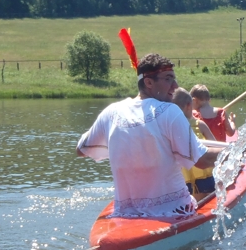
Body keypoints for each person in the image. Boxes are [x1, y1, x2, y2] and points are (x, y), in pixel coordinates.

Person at [76, 53, 228, 218]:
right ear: (148, 82)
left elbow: (81, 150)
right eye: (168, 79)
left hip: (126, 214)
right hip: (174, 212)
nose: (175, 86)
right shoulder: (170, 111)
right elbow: (202, 161)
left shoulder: (111, 112)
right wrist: (238, 150)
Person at [171, 87, 216, 200]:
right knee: (206, 200)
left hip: (183, 178)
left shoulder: (171, 127)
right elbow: (215, 145)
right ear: (189, 106)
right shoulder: (199, 124)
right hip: (203, 174)